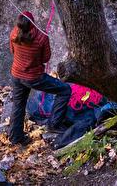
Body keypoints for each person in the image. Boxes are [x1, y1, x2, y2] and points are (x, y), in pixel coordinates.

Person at [7, 11, 72, 147]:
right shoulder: (41, 37)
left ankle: (15, 137)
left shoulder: (14, 33)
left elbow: (13, 51)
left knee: (18, 104)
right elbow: (45, 58)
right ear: (32, 23)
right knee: (65, 90)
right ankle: (54, 124)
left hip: (16, 75)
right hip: (34, 77)